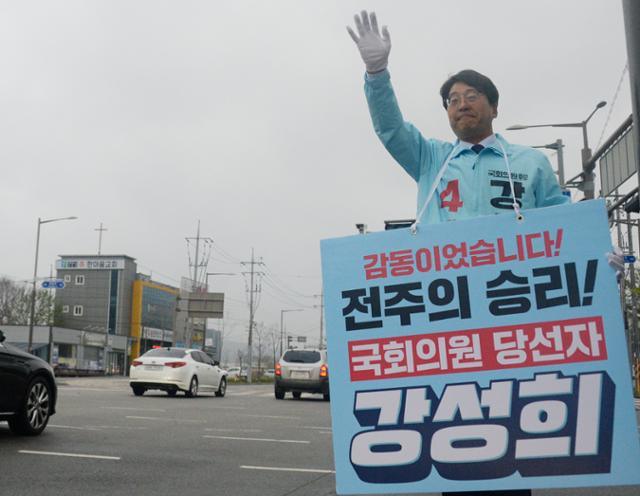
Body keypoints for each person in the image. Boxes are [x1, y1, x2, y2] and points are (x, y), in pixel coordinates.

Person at [347, 9, 623, 496]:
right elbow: (391, 130)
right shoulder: (431, 158)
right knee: (449, 435)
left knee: (508, 440)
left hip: (511, 319)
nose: (460, 105)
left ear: (493, 107)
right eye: (452, 101)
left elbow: (565, 229)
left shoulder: (529, 164)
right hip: (445, 323)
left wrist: (600, 260)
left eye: (470, 96)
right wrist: (376, 75)